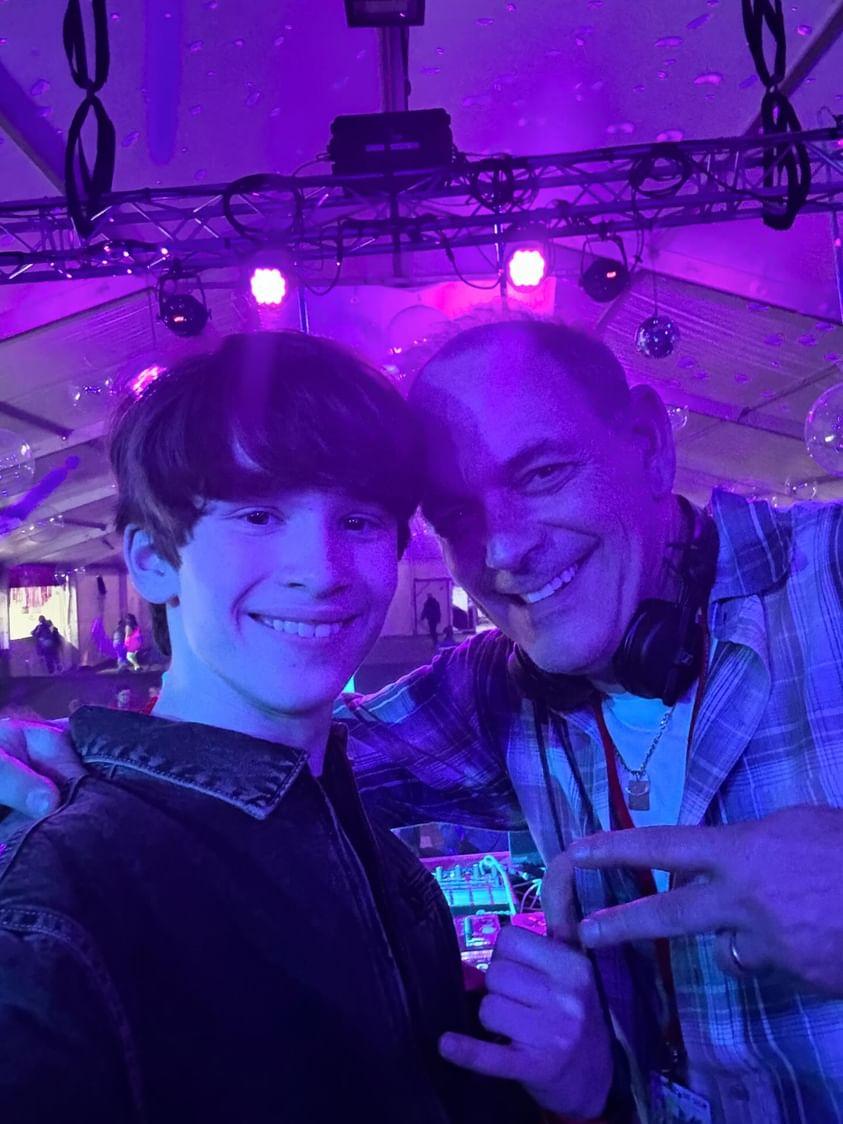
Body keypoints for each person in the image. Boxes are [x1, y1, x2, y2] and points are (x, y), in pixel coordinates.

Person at [4, 319, 843, 1120]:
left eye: (542, 475)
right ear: (151, 560)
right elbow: (248, 777)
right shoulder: (495, 693)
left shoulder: (829, 574)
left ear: (650, 444)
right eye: (458, 516)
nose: (504, 550)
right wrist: (43, 766)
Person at [0, 331, 556, 1124]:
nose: (321, 570)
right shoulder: (60, 890)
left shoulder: (379, 863)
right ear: (152, 560)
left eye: (359, 522)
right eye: (259, 515)